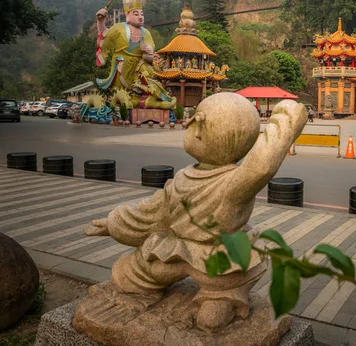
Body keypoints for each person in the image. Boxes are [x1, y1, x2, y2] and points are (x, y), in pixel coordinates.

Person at [83, 93, 307, 331]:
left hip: (221, 261)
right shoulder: (182, 178)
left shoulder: (234, 183)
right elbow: (153, 212)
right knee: (140, 268)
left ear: (200, 131)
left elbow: (260, 167)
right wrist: (114, 222)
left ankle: (227, 296)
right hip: (178, 249)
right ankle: (141, 287)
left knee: (210, 317)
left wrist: (286, 116)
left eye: (190, 122)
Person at [95, 0, 175, 110]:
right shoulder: (119, 28)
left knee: (146, 82)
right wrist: (100, 21)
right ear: (127, 15)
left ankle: (143, 100)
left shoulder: (145, 32)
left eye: (142, 14)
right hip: (121, 64)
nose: (140, 17)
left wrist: (149, 49)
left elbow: (151, 45)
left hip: (139, 65)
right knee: (120, 88)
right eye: (136, 14)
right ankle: (119, 105)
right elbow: (104, 35)